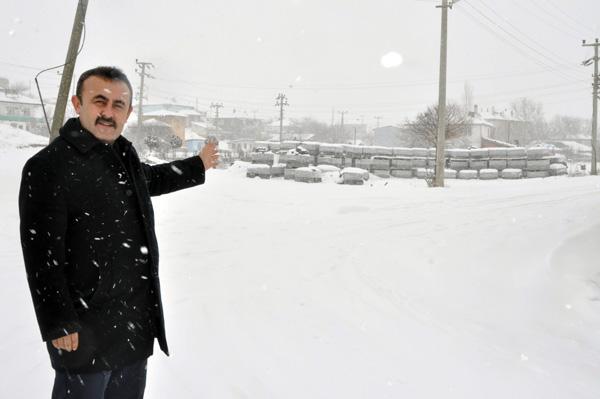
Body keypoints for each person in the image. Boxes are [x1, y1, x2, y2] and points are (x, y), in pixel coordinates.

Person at [19, 66, 219, 399]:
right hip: (85, 330)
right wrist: (59, 322)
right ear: (77, 103)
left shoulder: (121, 157)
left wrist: (197, 165)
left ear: (129, 112)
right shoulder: (48, 167)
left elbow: (151, 180)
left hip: (133, 324)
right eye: (100, 101)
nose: (109, 112)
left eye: (118, 105)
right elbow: (42, 255)